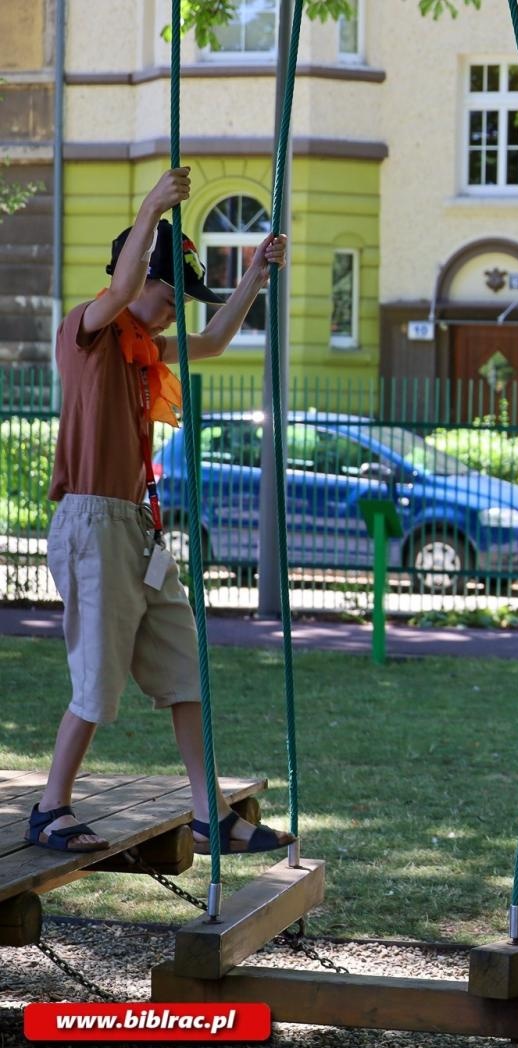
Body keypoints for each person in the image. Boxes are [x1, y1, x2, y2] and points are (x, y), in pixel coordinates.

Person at [28, 168, 295, 857]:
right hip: (91, 524)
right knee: (97, 682)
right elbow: (121, 289)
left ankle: (209, 816)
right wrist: (152, 206)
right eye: (173, 296)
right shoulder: (87, 330)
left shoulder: (146, 351)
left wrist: (255, 277)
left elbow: (216, 342)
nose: (179, 311)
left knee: (185, 668)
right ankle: (50, 807)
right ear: (142, 277)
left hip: (137, 530)